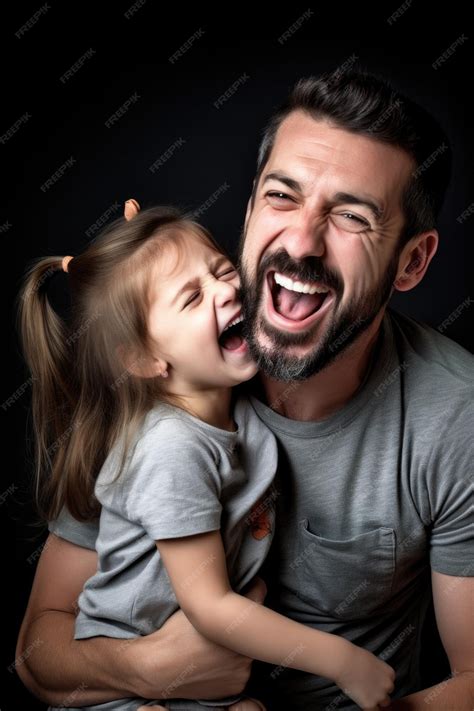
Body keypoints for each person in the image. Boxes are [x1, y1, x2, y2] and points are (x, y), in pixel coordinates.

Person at [16, 70, 473, 710]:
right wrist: (149, 669)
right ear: (252, 206)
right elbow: (36, 657)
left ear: (412, 261)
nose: (302, 243)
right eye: (283, 196)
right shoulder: (165, 384)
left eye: (350, 216)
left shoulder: (456, 416)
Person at [16, 199, 395, 711]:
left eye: (220, 270)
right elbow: (211, 607)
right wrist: (343, 662)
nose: (227, 288)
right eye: (192, 298)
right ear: (146, 359)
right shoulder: (173, 448)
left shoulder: (237, 414)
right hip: (121, 686)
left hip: (209, 681)